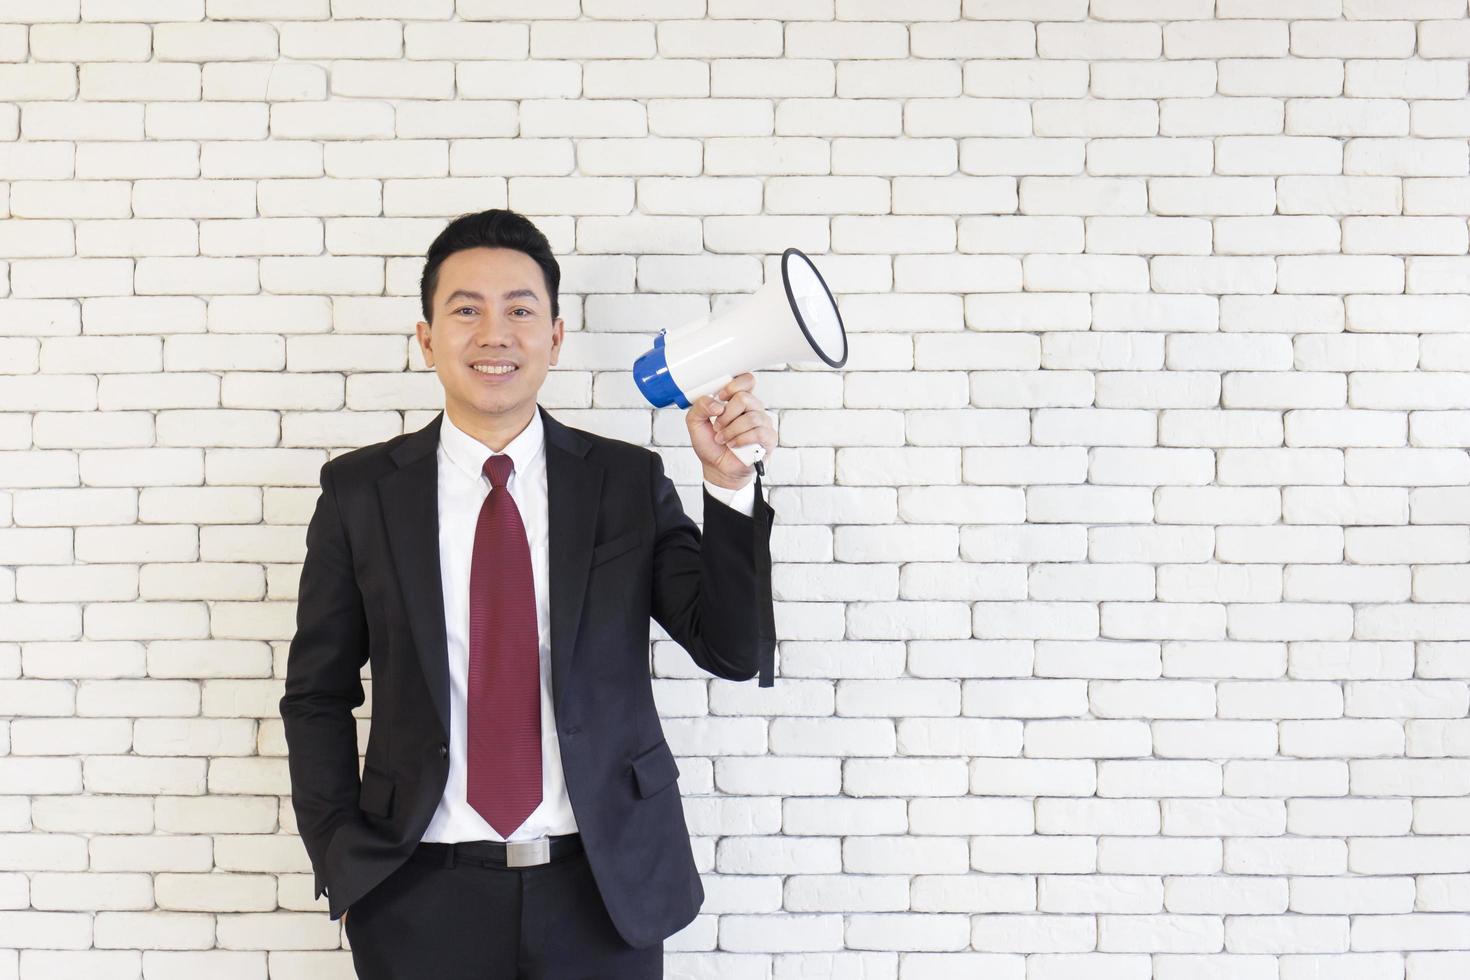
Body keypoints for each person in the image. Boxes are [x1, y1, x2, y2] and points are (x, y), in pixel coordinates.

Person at [279, 208, 777, 980]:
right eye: (465, 310)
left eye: (519, 310)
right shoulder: (360, 493)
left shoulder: (624, 482)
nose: (494, 334)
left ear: (555, 336)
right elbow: (316, 694)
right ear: (426, 338)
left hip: (603, 890)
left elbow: (731, 649)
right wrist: (341, 858)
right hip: (414, 894)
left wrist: (728, 484)